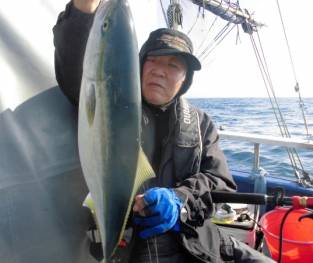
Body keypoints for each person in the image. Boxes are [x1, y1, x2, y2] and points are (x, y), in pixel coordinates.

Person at [53, 1, 275, 262]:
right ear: (139, 65)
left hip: (195, 242)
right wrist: (84, 10)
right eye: (153, 59)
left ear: (185, 79)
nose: (160, 71)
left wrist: (179, 200)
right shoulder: (112, 104)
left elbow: (220, 182)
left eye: (174, 65)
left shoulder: (202, 124)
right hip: (132, 248)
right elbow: (76, 63)